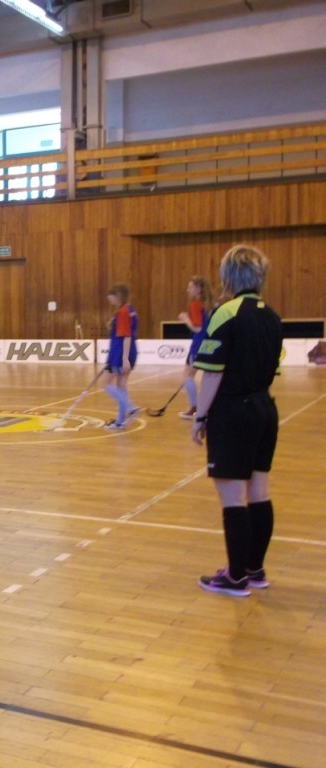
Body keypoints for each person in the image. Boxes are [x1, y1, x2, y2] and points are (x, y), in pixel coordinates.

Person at [191, 244, 282, 597]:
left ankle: (235, 577)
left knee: (232, 496)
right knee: (259, 491)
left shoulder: (225, 313)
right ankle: (254, 569)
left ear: (228, 276)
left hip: (233, 413)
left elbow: (212, 373)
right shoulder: (272, 316)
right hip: (264, 410)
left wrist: (200, 416)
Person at [101, 283, 141, 430]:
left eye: (110, 295)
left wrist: (124, 359)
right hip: (130, 351)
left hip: (120, 352)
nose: (108, 298)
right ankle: (120, 421)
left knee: (106, 383)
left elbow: (126, 336)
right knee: (121, 385)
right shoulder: (130, 310)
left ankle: (130, 407)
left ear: (117, 296)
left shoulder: (123, 312)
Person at [177, 275, 212, 419]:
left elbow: (197, 328)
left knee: (187, 376)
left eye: (190, 287)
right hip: (208, 343)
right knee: (207, 377)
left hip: (198, 344)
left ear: (198, 288)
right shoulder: (208, 304)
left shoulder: (196, 305)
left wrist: (186, 319)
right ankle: (204, 407)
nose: (188, 290)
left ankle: (195, 407)